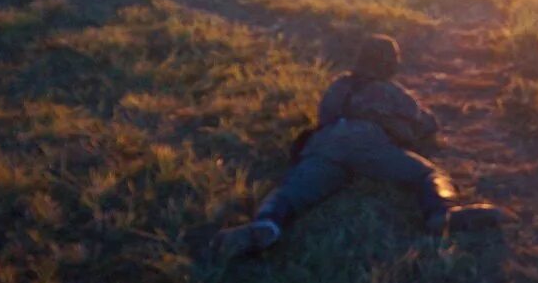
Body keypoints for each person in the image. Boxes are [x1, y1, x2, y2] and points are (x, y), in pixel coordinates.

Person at [211, 35, 505, 258]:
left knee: (291, 191)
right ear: (391, 64)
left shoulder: (338, 86)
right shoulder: (391, 91)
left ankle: (267, 223)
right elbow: (428, 123)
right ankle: (441, 211)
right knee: (427, 174)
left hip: (324, 145)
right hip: (368, 145)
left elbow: (324, 117)